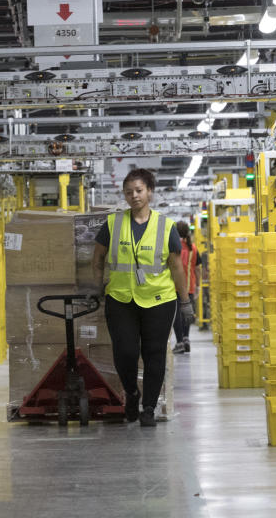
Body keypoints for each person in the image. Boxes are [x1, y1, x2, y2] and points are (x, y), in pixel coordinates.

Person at [91, 168, 194, 427]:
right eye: (128, 192)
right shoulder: (114, 223)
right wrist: (96, 287)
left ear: (149, 192)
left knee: (154, 353)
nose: (134, 196)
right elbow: (97, 258)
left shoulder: (165, 225)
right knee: (125, 351)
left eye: (138, 190)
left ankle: (148, 407)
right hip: (120, 298)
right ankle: (132, 393)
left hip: (159, 299)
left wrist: (184, 301)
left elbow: (176, 266)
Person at [172, 220, 201, 354]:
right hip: (189, 285)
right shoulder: (193, 248)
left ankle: (179, 343)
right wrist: (198, 286)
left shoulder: (173, 246)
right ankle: (186, 338)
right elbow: (198, 268)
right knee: (186, 314)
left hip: (174, 286)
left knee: (176, 314)